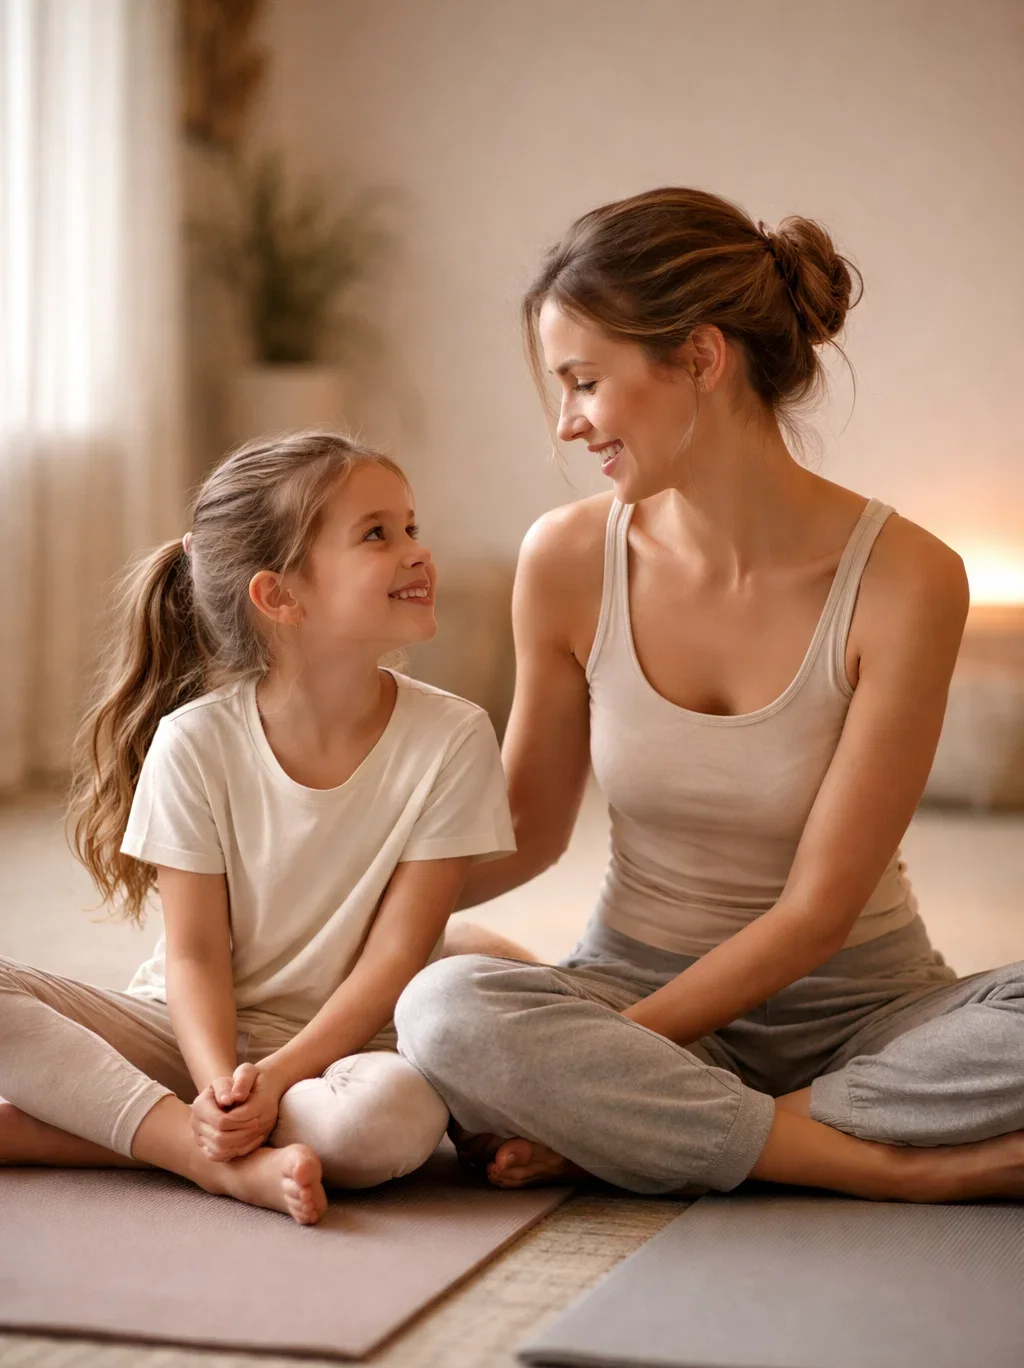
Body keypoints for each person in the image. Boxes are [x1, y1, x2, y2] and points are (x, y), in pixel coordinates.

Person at [395, 188, 1024, 1203]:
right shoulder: (564, 559)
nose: (567, 425)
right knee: (444, 1007)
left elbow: (818, 914)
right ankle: (868, 1164)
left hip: (861, 1015)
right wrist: (320, 895)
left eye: (585, 381)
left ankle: (683, 1128)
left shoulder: (908, 577)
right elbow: (523, 827)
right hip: (630, 983)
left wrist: (601, 1074)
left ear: (697, 357)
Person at [0, 432, 515, 1224]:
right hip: (190, 1033)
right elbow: (195, 954)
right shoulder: (195, 741)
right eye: (378, 533)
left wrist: (273, 1080)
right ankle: (196, 1150)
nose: (417, 552)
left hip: (352, 1047)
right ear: (279, 597)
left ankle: (104, 1124)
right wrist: (216, 1085)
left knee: (382, 1129)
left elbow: (397, 958)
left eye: (411, 526)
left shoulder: (455, 735)